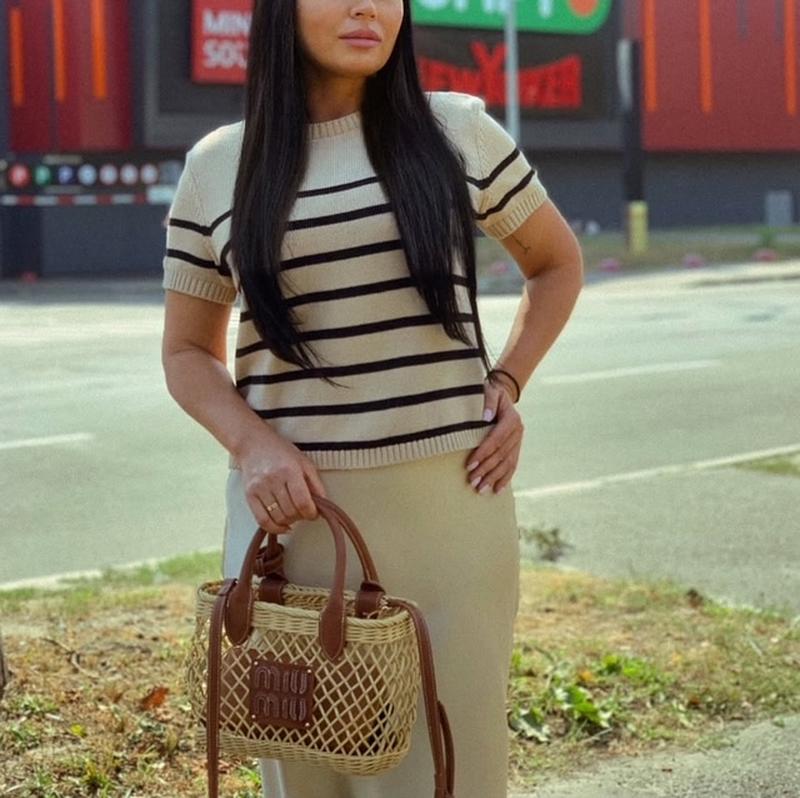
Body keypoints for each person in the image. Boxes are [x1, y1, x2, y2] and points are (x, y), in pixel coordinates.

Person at [160, 0, 583, 795]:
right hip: (290, 531)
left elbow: (556, 265)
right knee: (304, 775)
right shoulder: (219, 166)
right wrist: (252, 444)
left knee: (449, 770)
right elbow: (186, 354)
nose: (368, 7)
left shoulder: (459, 132)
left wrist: (507, 380)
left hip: (452, 522)